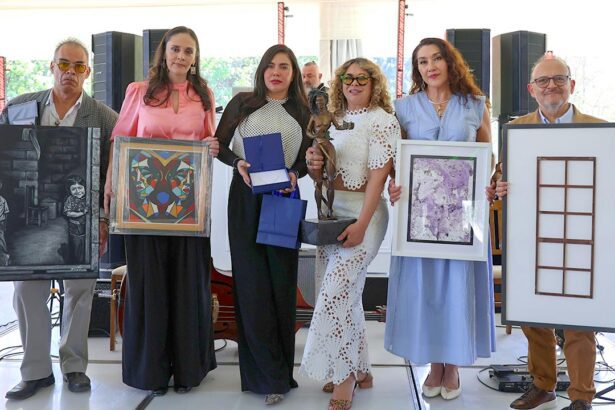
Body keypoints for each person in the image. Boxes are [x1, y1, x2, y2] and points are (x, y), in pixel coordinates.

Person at [103, 26, 219, 395]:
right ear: (163, 53)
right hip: (142, 205)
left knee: (187, 285)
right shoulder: (138, 91)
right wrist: (110, 184)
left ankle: (187, 371)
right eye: (175, 49)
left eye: (188, 51)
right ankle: (149, 373)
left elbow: (209, 141)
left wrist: (212, 146)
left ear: (195, 57)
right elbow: (120, 140)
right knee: (149, 286)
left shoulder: (204, 94)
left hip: (189, 205)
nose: (181, 56)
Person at [0, 38, 117, 400]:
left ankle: (74, 366)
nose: (70, 72)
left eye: (78, 66)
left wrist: (102, 219)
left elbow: (111, 176)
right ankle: (35, 371)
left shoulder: (104, 117)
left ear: (88, 72)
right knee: (27, 292)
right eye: (63, 64)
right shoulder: (19, 107)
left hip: (83, 217)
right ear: (51, 67)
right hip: (24, 220)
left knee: (80, 292)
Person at [385, 37, 495, 401]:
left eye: (436, 59)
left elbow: (488, 156)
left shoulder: (475, 104)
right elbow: (396, 161)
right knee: (427, 288)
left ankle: (454, 365)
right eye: (422, 61)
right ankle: (434, 363)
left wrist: (487, 181)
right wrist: (394, 185)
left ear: (450, 62)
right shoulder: (403, 108)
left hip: (465, 214)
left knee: (458, 288)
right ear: (416, 69)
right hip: (421, 216)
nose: (430, 67)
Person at [494, 53, 602, 410]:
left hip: (582, 239)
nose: (551, 86)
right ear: (532, 89)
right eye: (543, 80)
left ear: (572, 84)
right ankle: (543, 385)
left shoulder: (600, 130)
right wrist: (498, 186)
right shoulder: (516, 129)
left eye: (558, 79)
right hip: (530, 237)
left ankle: (582, 397)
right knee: (533, 316)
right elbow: (500, 176)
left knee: (579, 321)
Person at [300, 57, 401, 410]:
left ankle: (344, 379)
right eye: (347, 77)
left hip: (365, 216)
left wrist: (361, 225)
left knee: (334, 293)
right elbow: (322, 176)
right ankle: (362, 371)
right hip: (331, 215)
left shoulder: (383, 121)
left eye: (362, 78)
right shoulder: (333, 120)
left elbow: (377, 180)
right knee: (348, 296)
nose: (354, 83)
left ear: (374, 84)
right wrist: (314, 165)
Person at [215, 44, 311, 405]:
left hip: (283, 197)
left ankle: (281, 373)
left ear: (293, 73)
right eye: (270, 66)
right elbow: (220, 145)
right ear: (261, 70)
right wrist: (237, 163)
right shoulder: (242, 103)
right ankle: (264, 377)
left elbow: (307, 159)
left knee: (281, 284)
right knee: (252, 284)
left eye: (284, 66)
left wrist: (295, 172)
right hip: (245, 198)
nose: (276, 72)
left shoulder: (303, 110)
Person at [63, 175, 88, 264]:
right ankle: (78, 263)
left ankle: (84, 260)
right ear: (69, 190)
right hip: (75, 228)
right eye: (74, 189)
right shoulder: (70, 199)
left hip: (86, 226)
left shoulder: (87, 198)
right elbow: (68, 213)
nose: (77, 191)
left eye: (80, 188)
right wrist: (82, 213)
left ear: (85, 187)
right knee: (76, 246)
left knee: (86, 245)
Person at [0, 179, 9, 266]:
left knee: (1, 239)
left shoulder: (3, 200)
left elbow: (6, 213)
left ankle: (5, 256)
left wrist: (4, 225)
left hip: (1, 222)